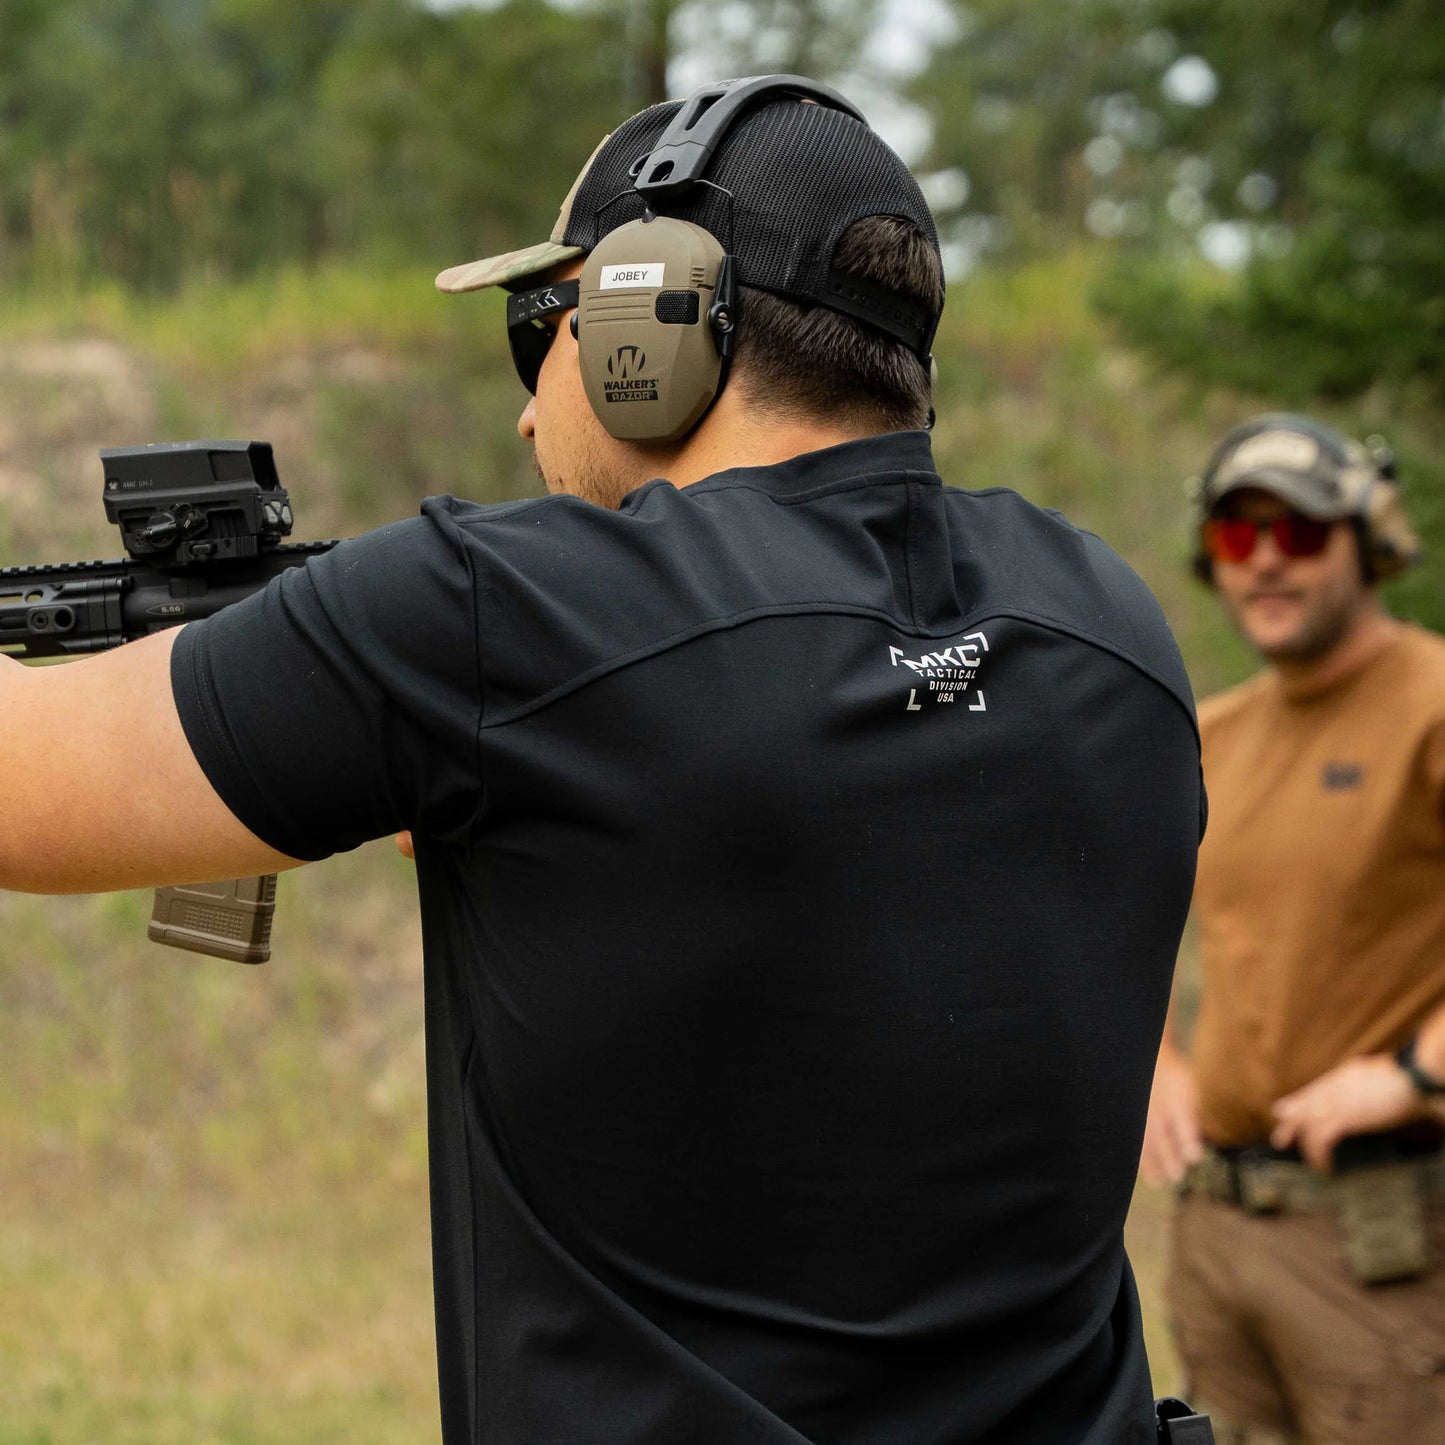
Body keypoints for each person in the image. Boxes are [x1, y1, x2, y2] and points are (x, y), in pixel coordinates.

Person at [1, 78, 1203, 1444]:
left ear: (652, 316)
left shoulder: (501, 617)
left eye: (543, 327)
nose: (529, 412)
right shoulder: (1110, 627)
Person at [1140, 414, 1445, 1444]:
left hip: (1383, 1240)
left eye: (1300, 531)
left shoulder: (1429, 705)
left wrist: (1412, 1072)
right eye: (1237, 534)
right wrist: (1157, 1056)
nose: (1265, 558)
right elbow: (1114, 904)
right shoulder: (1212, 734)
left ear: (1368, 541)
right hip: (1217, 1232)